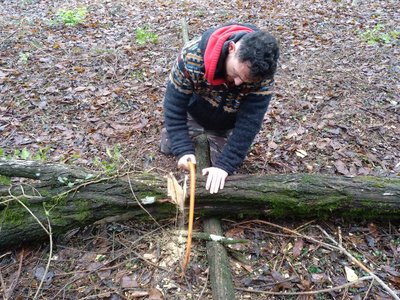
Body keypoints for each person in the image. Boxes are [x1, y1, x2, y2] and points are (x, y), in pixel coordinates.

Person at [160, 23, 280, 194]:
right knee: (168, 145)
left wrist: (225, 165)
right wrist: (183, 148)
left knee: (223, 176)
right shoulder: (191, 57)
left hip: (226, 124)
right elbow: (173, 105)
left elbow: (249, 123)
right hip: (193, 114)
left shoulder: (262, 75)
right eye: (237, 74)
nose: (238, 83)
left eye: (247, 81)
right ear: (232, 48)